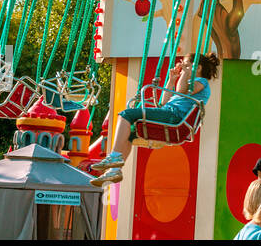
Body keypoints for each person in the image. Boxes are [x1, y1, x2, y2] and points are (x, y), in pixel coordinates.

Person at [91, 53, 219, 186]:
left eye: (186, 66)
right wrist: (172, 80)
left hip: (175, 116)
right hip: (169, 112)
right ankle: (115, 170)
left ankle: (114, 156)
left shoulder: (202, 82)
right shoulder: (188, 84)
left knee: (126, 114)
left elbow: (181, 90)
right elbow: (163, 102)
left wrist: (185, 74)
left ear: (197, 68)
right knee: (131, 132)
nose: (183, 69)